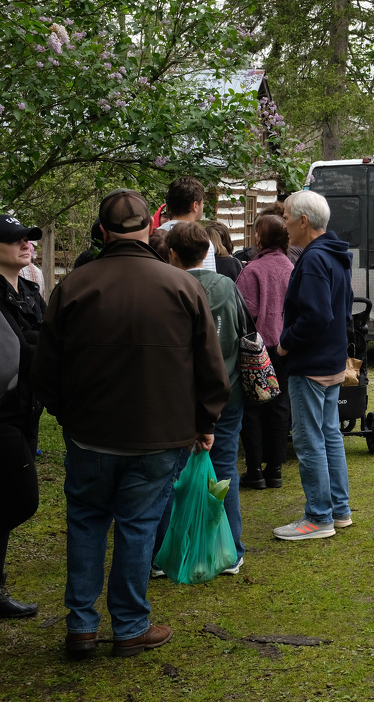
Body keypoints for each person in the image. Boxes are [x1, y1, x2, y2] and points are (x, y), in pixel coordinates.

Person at [32, 189, 230, 657]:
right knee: (136, 526)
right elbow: (210, 367)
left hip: (92, 436)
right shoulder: (183, 286)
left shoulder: (73, 286)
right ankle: (128, 626)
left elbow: (45, 370)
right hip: (158, 437)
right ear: (148, 229)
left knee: (86, 523)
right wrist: (206, 421)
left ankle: (82, 626)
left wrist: (67, 415)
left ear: (102, 232)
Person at [155, 222, 245, 575]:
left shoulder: (167, 287)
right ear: (208, 252)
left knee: (168, 475)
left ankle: (164, 553)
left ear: (172, 253)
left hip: (179, 397)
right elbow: (244, 330)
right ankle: (230, 550)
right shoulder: (226, 285)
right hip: (228, 391)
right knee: (224, 470)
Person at [273, 190, 354, 540]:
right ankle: (340, 510)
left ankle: (319, 518)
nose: (284, 224)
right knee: (330, 436)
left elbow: (318, 314)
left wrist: (286, 342)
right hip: (332, 361)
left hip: (312, 365)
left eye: (288, 216)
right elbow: (343, 310)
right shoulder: (335, 254)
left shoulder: (315, 259)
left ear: (303, 221)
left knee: (310, 442)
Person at [0, 216, 45, 619]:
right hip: (3, 414)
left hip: (29, 410)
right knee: (20, 500)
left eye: (28, 238)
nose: (26, 244)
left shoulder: (29, 290)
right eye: (16, 239)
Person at [236, 214, 295, 489]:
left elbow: (245, 312)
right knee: (280, 407)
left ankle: (254, 471)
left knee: (253, 408)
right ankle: (275, 470)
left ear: (264, 237)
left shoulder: (252, 270)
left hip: (256, 348)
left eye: (258, 232)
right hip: (284, 346)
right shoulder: (291, 266)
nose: (255, 236)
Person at [157, 176, 216, 272]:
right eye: (202, 203)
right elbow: (208, 282)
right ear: (195, 205)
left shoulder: (155, 236)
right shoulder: (201, 240)